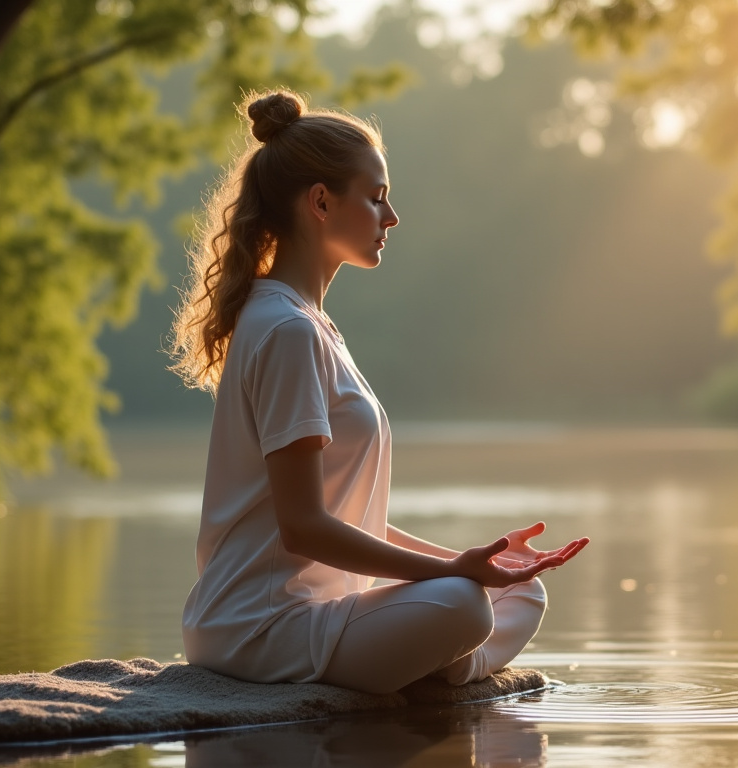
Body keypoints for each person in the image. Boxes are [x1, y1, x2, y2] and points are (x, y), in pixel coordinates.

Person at [169, 89, 589, 695]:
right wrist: (452, 572)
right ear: (320, 202)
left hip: (316, 615)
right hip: (258, 629)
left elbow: (342, 513)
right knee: (467, 607)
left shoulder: (304, 322)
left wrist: (473, 560)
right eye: (376, 198)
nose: (391, 218)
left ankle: (430, 667)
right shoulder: (286, 329)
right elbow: (305, 527)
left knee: (520, 586)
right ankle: (439, 675)